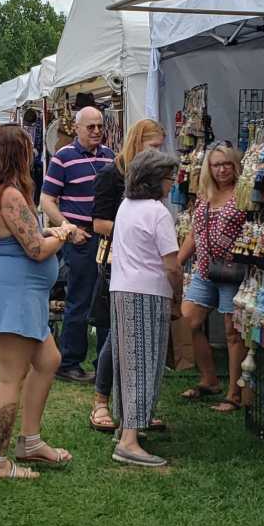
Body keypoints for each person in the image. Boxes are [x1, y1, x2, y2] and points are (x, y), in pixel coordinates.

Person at [0, 125, 78, 480]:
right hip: (14, 295)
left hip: (21, 292)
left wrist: (49, 233)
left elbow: (24, 237)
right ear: (17, 154)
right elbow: (35, 249)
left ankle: (30, 441)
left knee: (49, 359)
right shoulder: (10, 195)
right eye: (28, 149)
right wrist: (62, 233)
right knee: (11, 378)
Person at [89, 119, 167, 432]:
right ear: (138, 142)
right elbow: (98, 223)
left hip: (141, 264)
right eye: (153, 147)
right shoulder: (112, 174)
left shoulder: (149, 178)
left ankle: (134, 411)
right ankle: (100, 401)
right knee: (116, 335)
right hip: (117, 263)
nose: (158, 154)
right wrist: (136, 230)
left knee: (135, 340)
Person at [108, 149, 183, 467]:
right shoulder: (157, 212)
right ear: (156, 181)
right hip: (148, 292)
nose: (172, 184)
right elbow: (171, 264)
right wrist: (178, 295)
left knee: (127, 363)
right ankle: (129, 441)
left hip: (122, 288)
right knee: (143, 364)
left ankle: (126, 424)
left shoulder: (126, 206)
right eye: (169, 178)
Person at [40, 106, 114, 383]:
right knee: (80, 300)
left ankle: (105, 362)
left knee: (105, 301)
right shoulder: (63, 158)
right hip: (81, 238)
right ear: (77, 128)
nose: (96, 131)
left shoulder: (110, 157)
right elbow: (47, 200)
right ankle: (69, 362)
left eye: (99, 126)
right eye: (90, 127)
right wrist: (68, 229)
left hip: (106, 237)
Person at [177, 141, 248, 412]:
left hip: (232, 271)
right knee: (188, 322)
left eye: (227, 164)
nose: (222, 170)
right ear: (209, 167)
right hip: (205, 270)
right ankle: (209, 378)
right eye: (216, 164)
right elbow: (194, 234)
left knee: (232, 333)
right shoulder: (204, 194)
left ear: (235, 165)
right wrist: (178, 261)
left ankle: (234, 393)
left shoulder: (242, 194)